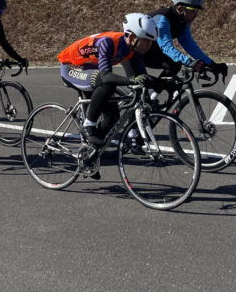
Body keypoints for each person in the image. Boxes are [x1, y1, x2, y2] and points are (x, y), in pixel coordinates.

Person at [57, 13, 161, 178]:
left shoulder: (134, 49)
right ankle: (88, 125)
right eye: (146, 40)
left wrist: (165, 83)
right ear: (132, 37)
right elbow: (106, 76)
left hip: (91, 69)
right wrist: (130, 80)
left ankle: (89, 155)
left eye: (151, 41)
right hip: (72, 67)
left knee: (112, 116)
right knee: (106, 82)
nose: (149, 45)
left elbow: (143, 76)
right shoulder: (108, 42)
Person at [145, 0, 227, 79]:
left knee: (174, 66)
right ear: (180, 8)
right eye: (192, 10)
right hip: (132, 51)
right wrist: (188, 61)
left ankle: (154, 93)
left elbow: (190, 46)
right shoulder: (163, 18)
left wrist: (212, 64)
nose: (196, 14)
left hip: (150, 50)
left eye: (197, 10)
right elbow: (166, 46)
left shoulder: (183, 22)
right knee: (141, 82)